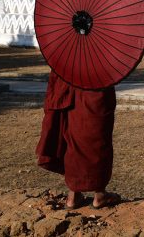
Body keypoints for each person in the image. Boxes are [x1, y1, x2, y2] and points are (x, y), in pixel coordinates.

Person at [35, 71, 120, 210]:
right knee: (97, 140)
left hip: (68, 82)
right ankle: (99, 194)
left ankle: (72, 196)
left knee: (73, 137)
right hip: (97, 85)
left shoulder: (67, 51)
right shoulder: (103, 51)